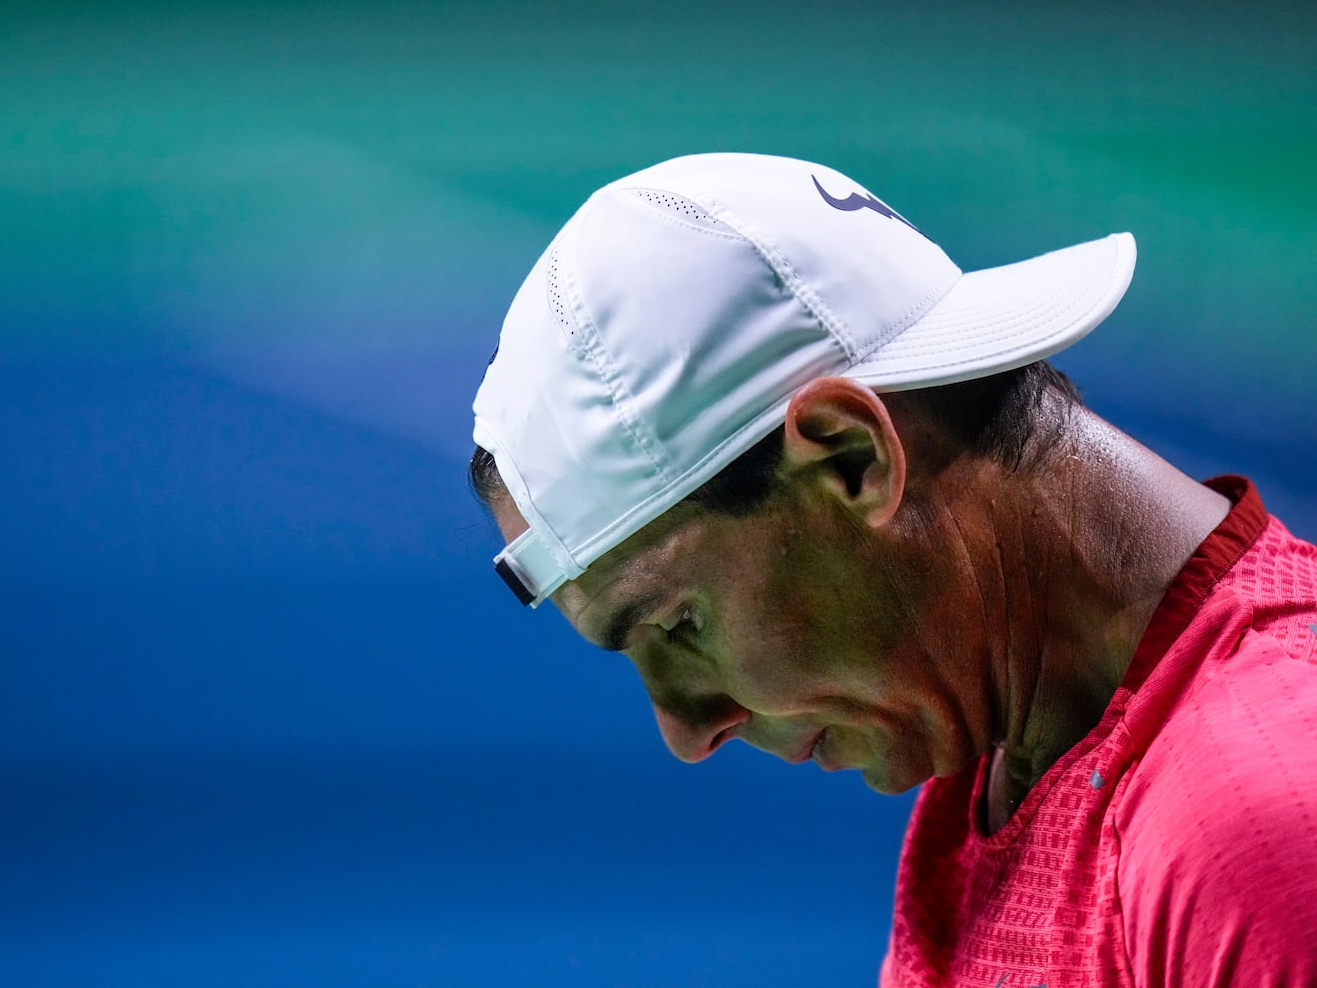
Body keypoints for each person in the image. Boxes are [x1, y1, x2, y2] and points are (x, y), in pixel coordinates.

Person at [467, 153, 1317, 986]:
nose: (689, 732)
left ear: (852, 458)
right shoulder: (1002, 755)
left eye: (680, 624)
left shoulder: (1259, 829)